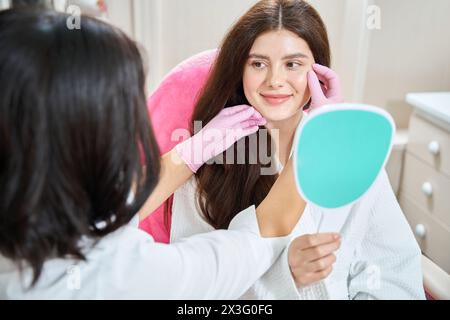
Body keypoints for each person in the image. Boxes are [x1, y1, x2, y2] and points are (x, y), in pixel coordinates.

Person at [0, 8, 313, 299]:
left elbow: (112, 214)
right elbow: (256, 239)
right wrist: (317, 141)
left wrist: (194, 150)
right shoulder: (124, 276)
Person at [139, 0, 425, 299]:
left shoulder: (350, 154)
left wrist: (328, 132)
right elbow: (196, 291)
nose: (275, 80)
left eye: (293, 64)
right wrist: (283, 277)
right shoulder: (210, 162)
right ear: (240, 71)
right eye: (258, 64)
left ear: (319, 73)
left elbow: (394, 273)